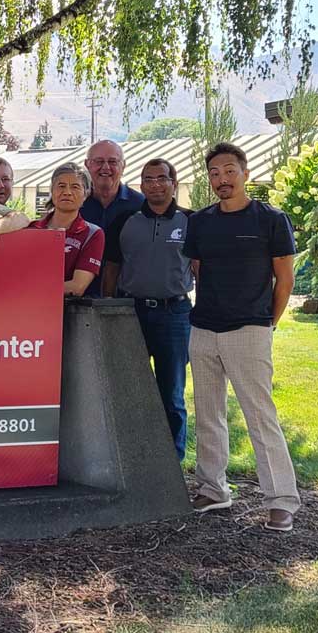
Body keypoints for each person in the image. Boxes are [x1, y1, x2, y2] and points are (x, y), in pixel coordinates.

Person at [183, 142, 300, 533]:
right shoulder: (200, 222)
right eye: (214, 173)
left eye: (229, 171)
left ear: (245, 173)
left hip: (250, 329)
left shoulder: (271, 219)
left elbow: (284, 279)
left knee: (259, 416)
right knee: (209, 415)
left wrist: (269, 323)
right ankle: (213, 489)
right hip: (203, 330)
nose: (222, 179)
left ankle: (281, 500)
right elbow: (198, 269)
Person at [118, 158, 194, 458]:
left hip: (174, 315)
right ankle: (134, 456)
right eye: (148, 179)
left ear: (173, 183)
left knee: (172, 394)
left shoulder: (190, 221)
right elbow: (113, 267)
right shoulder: (128, 221)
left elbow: (199, 268)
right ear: (141, 185)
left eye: (162, 178)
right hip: (132, 313)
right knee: (129, 388)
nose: (155, 184)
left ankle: (172, 462)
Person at [82, 139, 146, 296]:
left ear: (123, 166)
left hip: (127, 299)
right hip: (78, 296)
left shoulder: (141, 205)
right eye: (99, 161)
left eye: (112, 161)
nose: (105, 167)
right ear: (87, 164)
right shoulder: (74, 204)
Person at [34, 163, 104, 297]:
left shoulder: (93, 234)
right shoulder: (32, 228)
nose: (67, 192)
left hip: (69, 314)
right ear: (52, 190)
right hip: (26, 311)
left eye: (75, 187)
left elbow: (77, 287)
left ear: (86, 193)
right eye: (61, 186)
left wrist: (30, 290)